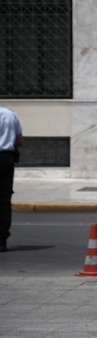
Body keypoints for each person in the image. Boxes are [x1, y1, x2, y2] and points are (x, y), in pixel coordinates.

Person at [0, 105, 23, 253]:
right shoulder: (10, 114)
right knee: (3, 200)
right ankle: (1, 240)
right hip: (5, 159)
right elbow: (19, 141)